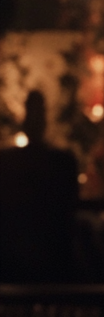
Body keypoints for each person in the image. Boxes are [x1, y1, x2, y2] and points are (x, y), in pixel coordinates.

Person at [0, 89, 79, 283]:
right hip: (44, 261)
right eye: (33, 112)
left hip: (28, 259)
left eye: (38, 113)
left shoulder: (61, 162)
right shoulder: (61, 162)